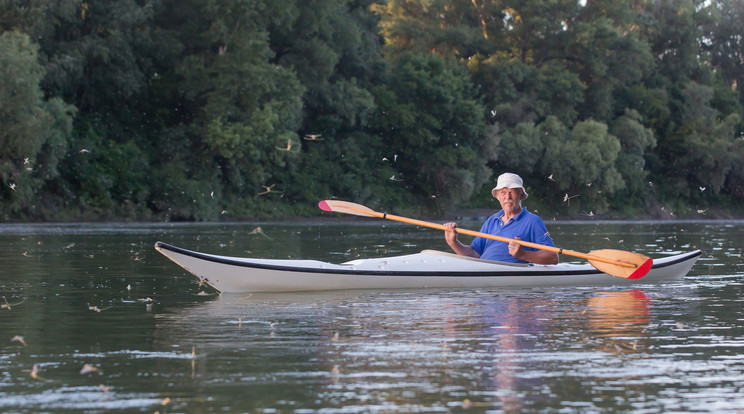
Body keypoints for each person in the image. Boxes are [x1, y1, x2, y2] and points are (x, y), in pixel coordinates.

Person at [444, 172, 559, 265]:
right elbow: (474, 254)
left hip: (508, 283)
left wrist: (523, 254)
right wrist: (453, 243)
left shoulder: (533, 221)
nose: (507, 197)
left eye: (512, 192)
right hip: (483, 275)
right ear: (497, 196)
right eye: (503, 192)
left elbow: (553, 257)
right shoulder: (491, 221)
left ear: (521, 195)